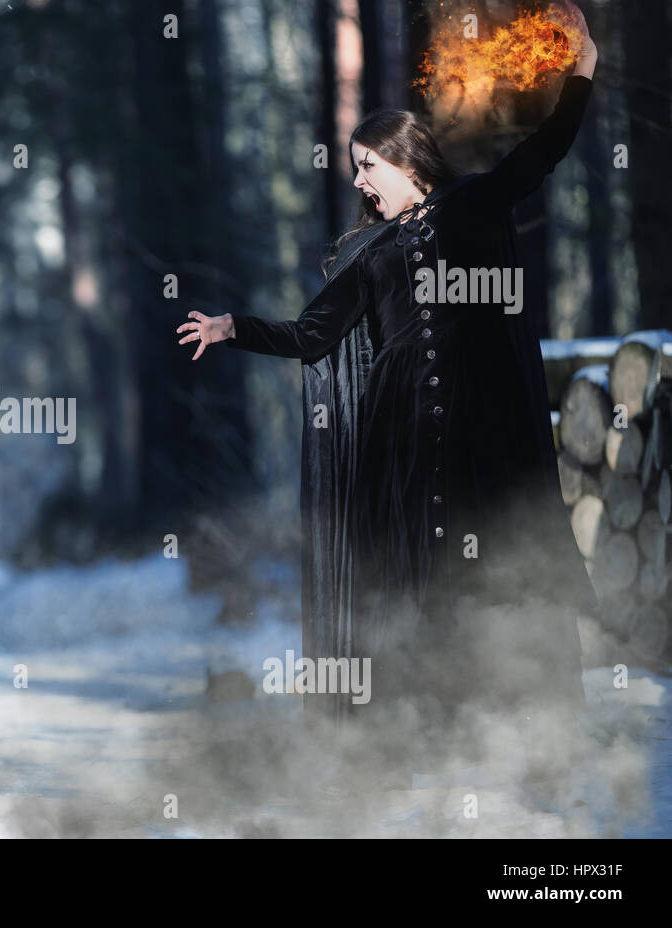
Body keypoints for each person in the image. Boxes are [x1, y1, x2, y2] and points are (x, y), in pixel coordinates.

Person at [176, 12, 600, 771]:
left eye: (369, 165)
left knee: (491, 568)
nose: (362, 184)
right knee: (417, 581)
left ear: (408, 158)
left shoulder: (473, 205)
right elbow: (312, 336)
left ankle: (517, 733)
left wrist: (584, 72)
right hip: (400, 439)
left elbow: (541, 154)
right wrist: (234, 326)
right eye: (356, 172)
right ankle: (427, 737)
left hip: (482, 425)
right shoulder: (370, 257)